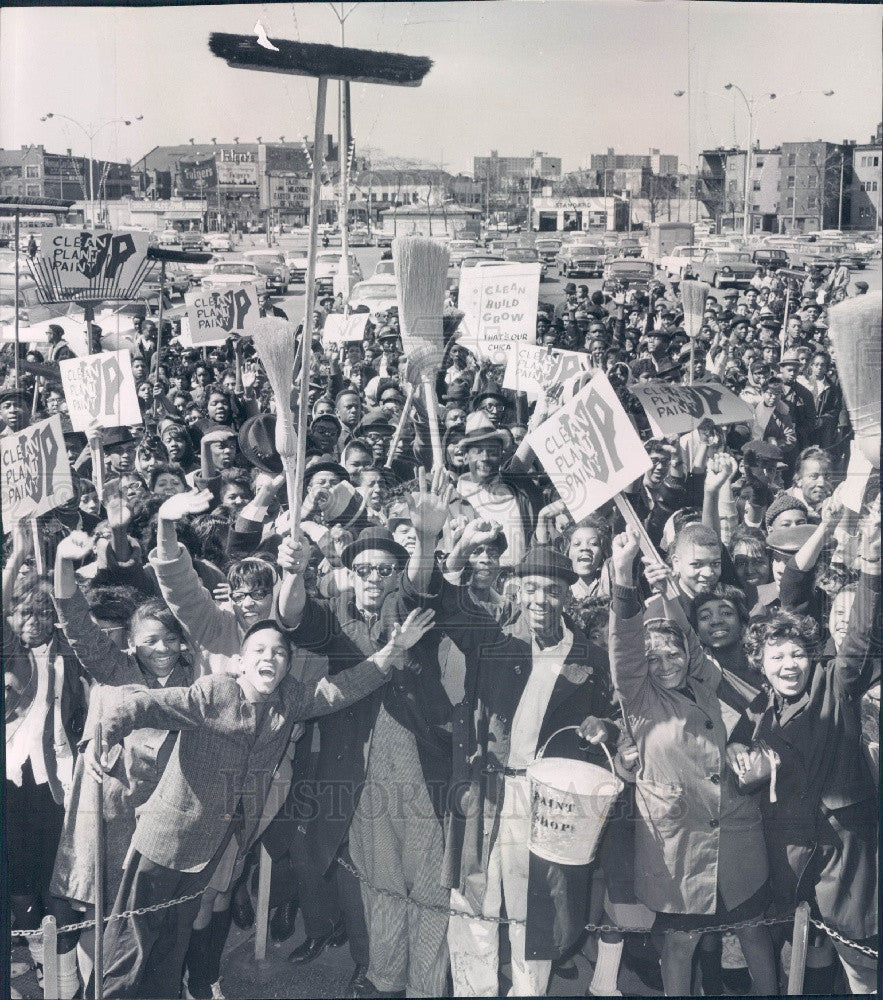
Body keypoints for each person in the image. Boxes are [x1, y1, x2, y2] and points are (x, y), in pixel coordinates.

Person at [90, 611, 434, 999]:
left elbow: (345, 686)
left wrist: (391, 651)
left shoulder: (290, 700)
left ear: (287, 666)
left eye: (279, 653)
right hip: (166, 840)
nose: (269, 658)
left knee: (172, 947)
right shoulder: (212, 692)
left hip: (217, 844)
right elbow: (142, 705)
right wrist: (104, 736)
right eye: (259, 650)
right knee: (129, 947)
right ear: (240, 661)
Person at [608, 529, 778, 996]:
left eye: (674, 653)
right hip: (677, 848)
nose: (666, 664)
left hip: (736, 838)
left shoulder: (706, 680)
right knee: (680, 945)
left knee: (754, 935)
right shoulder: (639, 698)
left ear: (689, 653)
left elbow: (688, 634)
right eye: (654, 658)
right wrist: (624, 576)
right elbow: (623, 647)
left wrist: (669, 596)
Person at [730, 504, 879, 993]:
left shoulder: (837, 682)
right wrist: (741, 760)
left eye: (797, 654)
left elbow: (858, 637)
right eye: (777, 657)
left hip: (844, 848)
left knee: (859, 960)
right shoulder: (756, 710)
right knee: (795, 948)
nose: (789, 665)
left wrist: (872, 571)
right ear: (760, 662)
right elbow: (737, 755)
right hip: (788, 850)